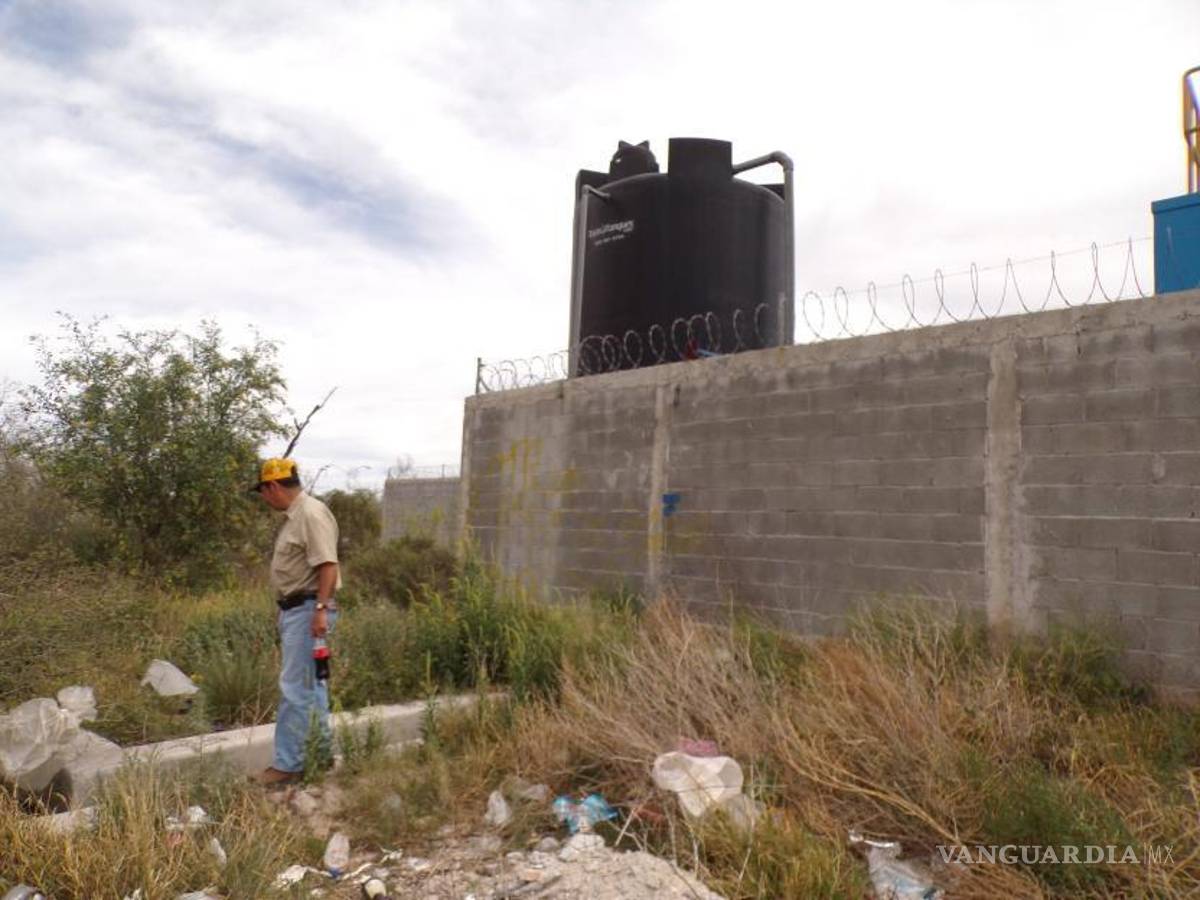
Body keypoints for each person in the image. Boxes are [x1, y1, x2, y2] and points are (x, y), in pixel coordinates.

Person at [250, 457, 341, 786]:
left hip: (307, 611)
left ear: (273, 486)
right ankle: (319, 756)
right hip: (299, 610)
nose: (264, 499)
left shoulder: (310, 514)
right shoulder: (296, 516)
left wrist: (318, 609)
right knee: (312, 689)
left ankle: (287, 765)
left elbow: (327, 565)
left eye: (263, 491)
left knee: (295, 691)